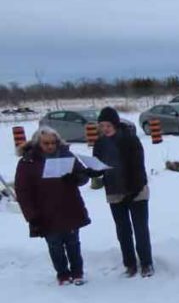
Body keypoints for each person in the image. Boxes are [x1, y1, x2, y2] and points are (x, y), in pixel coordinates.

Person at [15, 127, 91, 285]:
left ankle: (77, 272)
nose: (50, 146)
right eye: (46, 143)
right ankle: (62, 274)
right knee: (55, 245)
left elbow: (83, 176)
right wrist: (31, 216)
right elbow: (23, 191)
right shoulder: (27, 161)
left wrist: (76, 178)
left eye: (53, 143)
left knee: (73, 242)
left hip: (69, 207)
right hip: (45, 211)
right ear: (38, 143)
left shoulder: (66, 155)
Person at [93, 106, 155, 278]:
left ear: (115, 123)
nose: (105, 128)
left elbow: (138, 167)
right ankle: (129, 264)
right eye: (102, 125)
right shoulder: (100, 143)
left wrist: (134, 189)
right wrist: (90, 170)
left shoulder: (129, 139)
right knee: (123, 231)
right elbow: (98, 167)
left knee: (140, 229)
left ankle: (146, 263)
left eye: (107, 125)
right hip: (115, 191)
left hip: (136, 191)